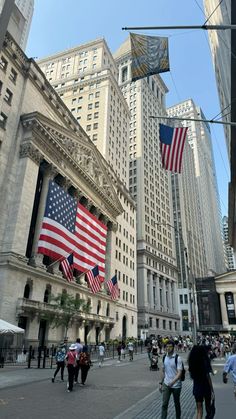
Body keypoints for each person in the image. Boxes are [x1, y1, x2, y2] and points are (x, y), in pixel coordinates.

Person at [188, 345, 214, 419]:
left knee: (199, 409)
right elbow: (208, 377)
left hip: (197, 387)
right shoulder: (205, 361)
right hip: (206, 387)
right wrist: (212, 390)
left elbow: (191, 375)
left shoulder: (192, 362)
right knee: (208, 408)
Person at [159, 339, 183, 419]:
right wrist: (160, 383)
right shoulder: (164, 357)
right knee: (164, 404)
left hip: (176, 385)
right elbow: (163, 371)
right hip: (166, 384)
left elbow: (180, 373)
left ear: (173, 347)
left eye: (170, 347)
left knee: (177, 404)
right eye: (167, 347)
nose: (168, 348)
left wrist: (172, 382)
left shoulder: (178, 358)